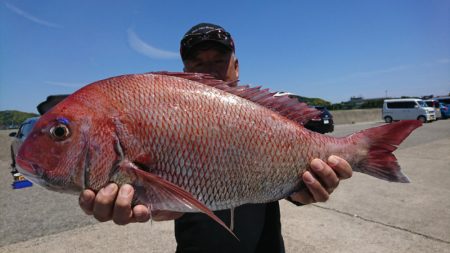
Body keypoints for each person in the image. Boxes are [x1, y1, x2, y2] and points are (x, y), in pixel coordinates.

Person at [79, 23, 352, 252]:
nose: (209, 70)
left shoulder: (262, 114)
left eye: (219, 61)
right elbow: (157, 187)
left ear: (236, 66)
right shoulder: (168, 115)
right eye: (198, 62)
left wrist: (306, 192)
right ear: (185, 72)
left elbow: (293, 187)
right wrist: (151, 202)